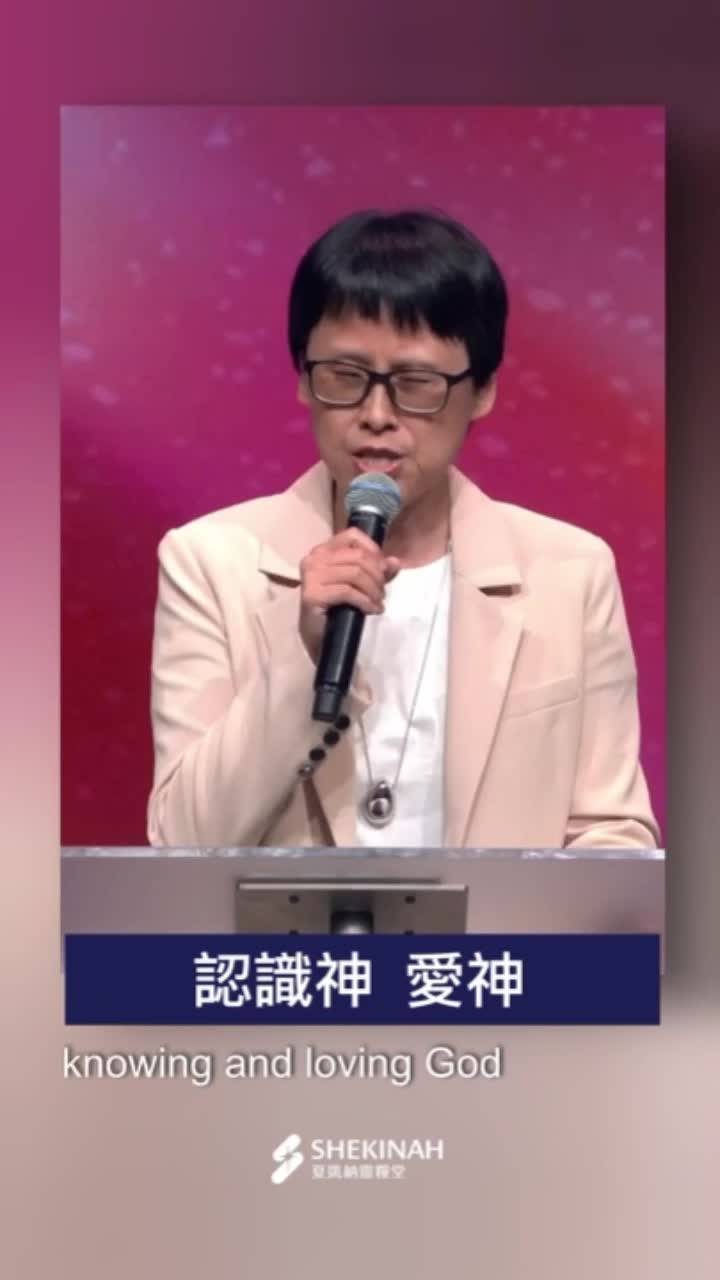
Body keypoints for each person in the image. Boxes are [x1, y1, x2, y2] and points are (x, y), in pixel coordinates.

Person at [147, 208, 660, 850]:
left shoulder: (571, 571)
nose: (376, 415)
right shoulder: (210, 561)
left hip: (497, 923)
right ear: (303, 379)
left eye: (417, 384)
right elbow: (183, 839)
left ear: (482, 390)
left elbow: (611, 833)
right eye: (345, 377)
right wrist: (300, 658)